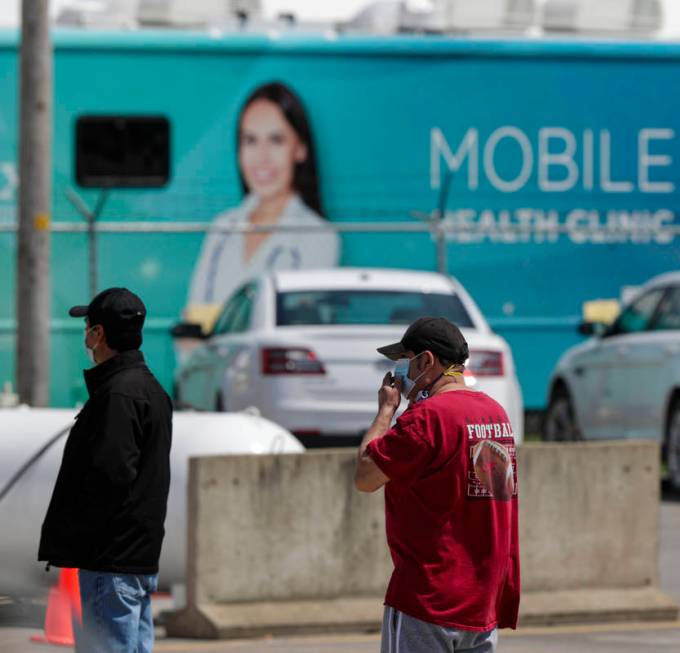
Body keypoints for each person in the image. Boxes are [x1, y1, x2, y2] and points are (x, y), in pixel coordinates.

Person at [354, 317, 520, 653]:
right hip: (481, 603)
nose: (399, 372)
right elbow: (494, 499)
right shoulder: (495, 414)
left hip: (427, 601)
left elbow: (365, 475)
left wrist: (386, 410)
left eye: (404, 361)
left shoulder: (427, 418)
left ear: (426, 361)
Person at [38, 288, 174, 653]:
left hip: (110, 562)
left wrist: (75, 532)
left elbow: (109, 477)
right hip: (139, 558)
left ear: (98, 334)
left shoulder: (117, 395)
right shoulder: (153, 391)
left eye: (87, 326)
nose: (84, 335)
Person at [185, 81, 339, 326]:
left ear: (300, 148)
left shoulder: (319, 237)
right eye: (250, 140)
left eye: (276, 140)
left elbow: (298, 329)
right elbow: (192, 324)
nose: (261, 157)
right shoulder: (222, 227)